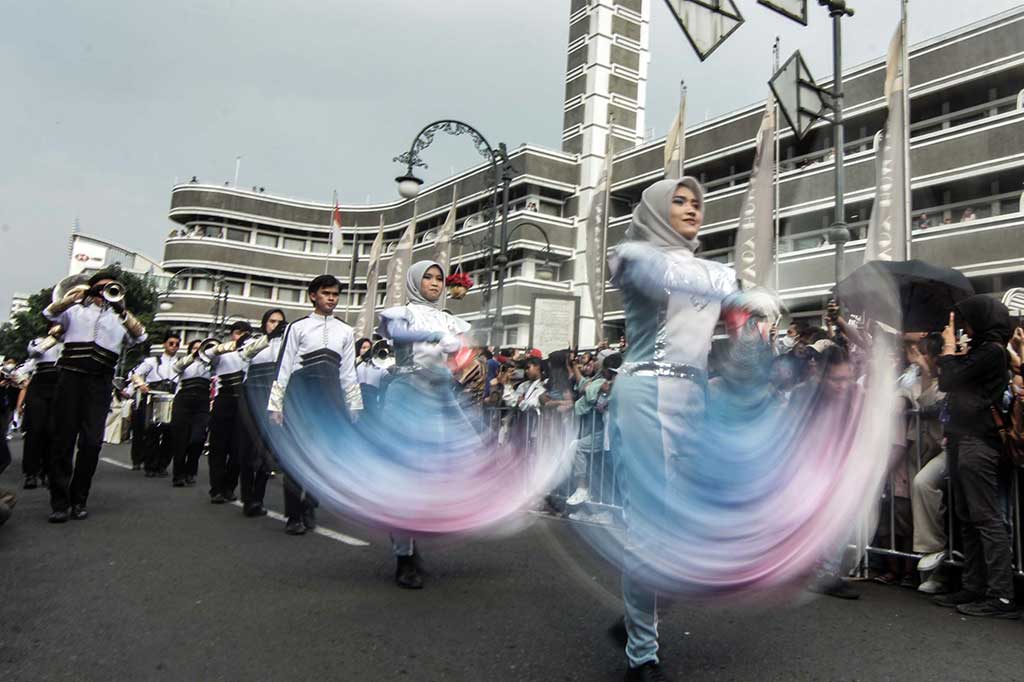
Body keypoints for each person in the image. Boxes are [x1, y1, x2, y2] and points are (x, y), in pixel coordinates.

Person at [607, 177, 737, 681]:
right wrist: (736, 289)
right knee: (648, 528)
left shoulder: (713, 271)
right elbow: (650, 272)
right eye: (678, 201)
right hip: (645, 395)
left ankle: (637, 614)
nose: (691, 208)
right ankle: (642, 655)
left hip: (694, 397)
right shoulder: (634, 258)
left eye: (697, 202)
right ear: (657, 211)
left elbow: (742, 316)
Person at [377, 260, 472, 589]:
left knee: (431, 477)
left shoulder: (448, 319)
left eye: (439, 278)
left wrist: (456, 351)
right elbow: (396, 333)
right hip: (405, 395)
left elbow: (458, 357)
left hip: (436, 398)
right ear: (415, 281)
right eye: (427, 277)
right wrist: (431, 335)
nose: (434, 283)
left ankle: (411, 538)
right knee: (403, 478)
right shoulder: (402, 313)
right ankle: (404, 557)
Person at [932, 297, 1019, 619]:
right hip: (962, 437)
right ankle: (974, 585)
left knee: (985, 517)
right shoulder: (981, 350)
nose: (963, 328)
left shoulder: (992, 351)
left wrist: (949, 347)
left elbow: (948, 380)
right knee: (967, 516)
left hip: (978, 440)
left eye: (967, 321)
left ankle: (1001, 595)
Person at [42, 270, 148, 522]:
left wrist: (122, 310)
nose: (104, 292)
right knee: (63, 441)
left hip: (99, 384)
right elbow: (49, 313)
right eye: (100, 287)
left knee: (91, 443)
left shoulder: (120, 319)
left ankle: (79, 499)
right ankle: (59, 502)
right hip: (71, 379)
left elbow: (141, 336)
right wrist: (77, 297)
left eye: (110, 288)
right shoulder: (74, 312)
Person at [269, 275, 363, 535]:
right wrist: (276, 405)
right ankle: (294, 515)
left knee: (323, 456)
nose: (331, 298)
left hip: (330, 398)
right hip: (300, 394)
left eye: (335, 294)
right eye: (326, 293)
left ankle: (310, 504)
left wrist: (354, 405)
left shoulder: (345, 331)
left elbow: (348, 373)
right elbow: (284, 367)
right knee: (296, 456)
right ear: (313, 295)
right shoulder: (297, 327)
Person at [235, 309, 287, 516]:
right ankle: (248, 499)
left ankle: (258, 497)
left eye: (280, 322)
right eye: (272, 321)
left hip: (273, 397)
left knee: (267, 450)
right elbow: (244, 355)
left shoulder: (287, 345)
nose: (275, 325)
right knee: (248, 450)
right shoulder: (253, 341)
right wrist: (269, 337)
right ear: (265, 323)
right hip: (252, 394)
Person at [206, 321, 253, 504]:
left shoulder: (252, 352)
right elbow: (207, 354)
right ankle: (216, 489)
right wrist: (229, 346)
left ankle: (229, 487)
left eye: (245, 333)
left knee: (238, 448)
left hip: (244, 401)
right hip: (224, 400)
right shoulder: (223, 352)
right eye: (238, 332)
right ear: (231, 334)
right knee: (218, 446)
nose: (241, 336)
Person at [128, 334, 181, 477]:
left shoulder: (180, 363)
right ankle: (150, 465)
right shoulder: (152, 361)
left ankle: (162, 465)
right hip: (153, 399)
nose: (174, 346)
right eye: (171, 343)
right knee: (152, 433)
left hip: (172, 400)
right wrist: (141, 385)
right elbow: (135, 373)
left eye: (177, 344)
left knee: (170, 434)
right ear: (164, 344)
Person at [20, 332, 62, 489]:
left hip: (59, 383)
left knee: (53, 431)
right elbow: (34, 352)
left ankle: (49, 471)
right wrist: (53, 339)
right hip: (39, 384)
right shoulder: (37, 341)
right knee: (35, 430)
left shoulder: (69, 341)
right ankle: (31, 473)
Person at [169, 339, 213, 487]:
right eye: (195, 348)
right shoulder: (184, 362)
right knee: (180, 440)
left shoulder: (210, 365)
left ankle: (191, 471)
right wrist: (194, 356)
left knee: (197, 439)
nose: (199, 351)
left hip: (202, 401)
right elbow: (176, 368)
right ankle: (178, 475)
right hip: (184, 400)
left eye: (201, 348)